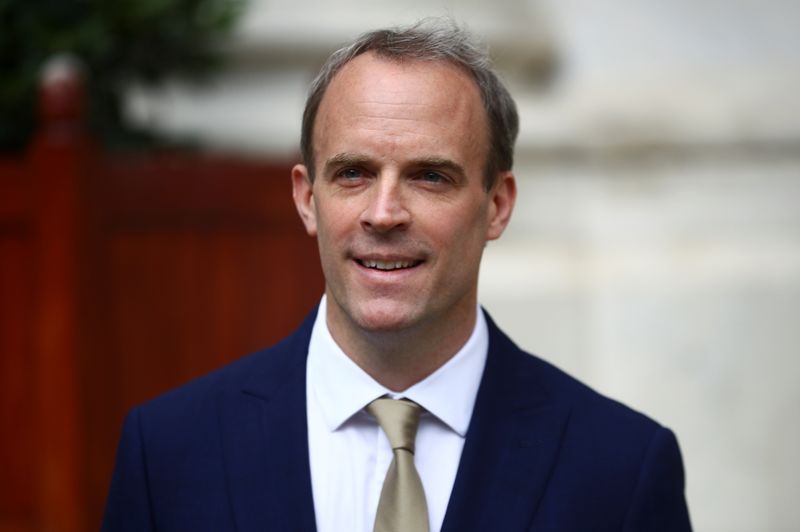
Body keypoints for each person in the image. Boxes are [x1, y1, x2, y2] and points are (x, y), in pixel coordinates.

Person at [103, 19, 692, 532]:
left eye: (430, 176)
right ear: (307, 200)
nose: (383, 213)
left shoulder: (620, 469)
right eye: (353, 173)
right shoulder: (170, 453)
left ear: (497, 206)